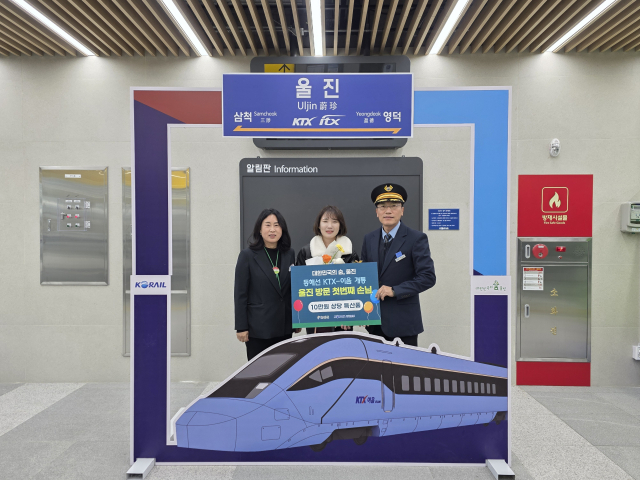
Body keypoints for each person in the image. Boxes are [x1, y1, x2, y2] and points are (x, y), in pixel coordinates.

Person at [360, 184, 436, 347]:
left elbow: (427, 277)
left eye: (394, 206)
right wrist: (359, 313)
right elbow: (364, 278)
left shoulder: (416, 238)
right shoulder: (369, 239)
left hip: (404, 324)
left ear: (402, 210)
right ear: (377, 212)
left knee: (404, 364)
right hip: (375, 323)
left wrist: (395, 290)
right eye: (382, 206)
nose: (388, 211)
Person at [234, 208, 300, 360]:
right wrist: (241, 327)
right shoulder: (247, 255)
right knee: (260, 370)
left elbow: (293, 289)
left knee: (283, 368)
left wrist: (296, 320)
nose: (272, 229)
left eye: (276, 225)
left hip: (284, 326)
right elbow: (240, 293)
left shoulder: (289, 253)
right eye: (268, 225)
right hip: (258, 328)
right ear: (260, 229)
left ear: (282, 229)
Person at [295, 205, 359, 334]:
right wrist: (300, 317)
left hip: (342, 318)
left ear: (340, 225)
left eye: (334, 221)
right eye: (325, 221)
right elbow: (298, 285)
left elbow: (357, 286)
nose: (329, 226)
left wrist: (349, 315)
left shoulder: (349, 252)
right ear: (318, 225)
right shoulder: (306, 252)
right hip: (314, 314)